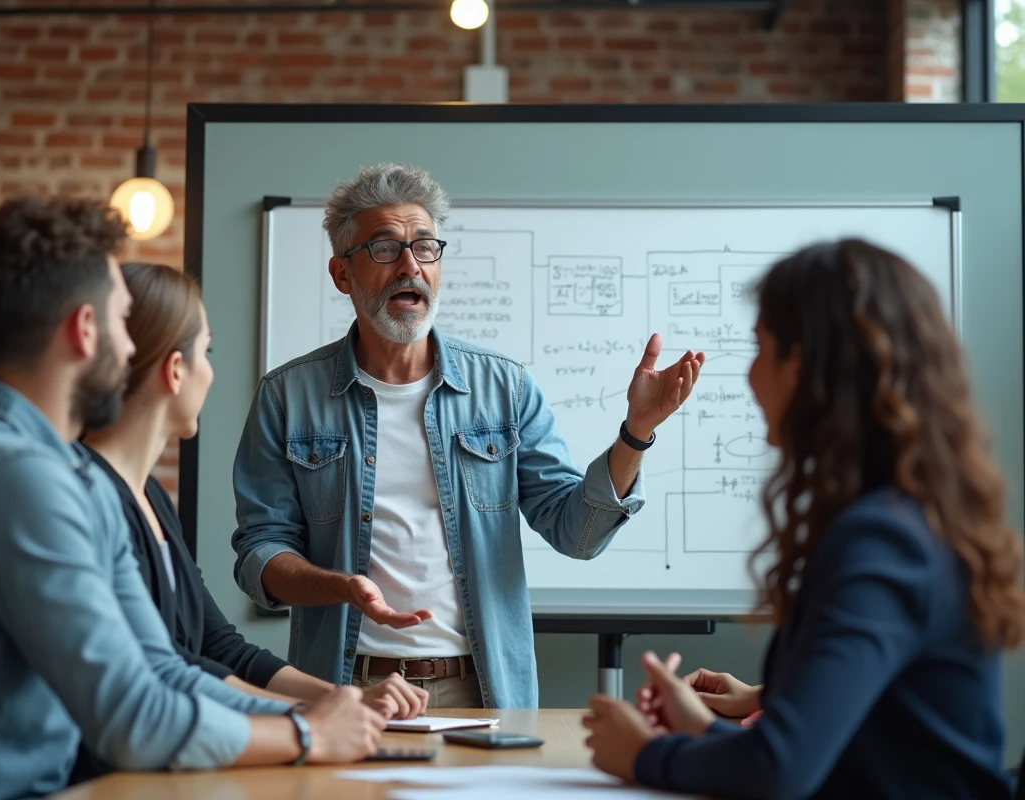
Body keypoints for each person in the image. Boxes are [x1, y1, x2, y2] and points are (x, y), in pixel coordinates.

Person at [0, 197, 385, 800]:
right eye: (120, 319)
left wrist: (316, 719)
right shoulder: (14, 476)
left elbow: (160, 668)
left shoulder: (54, 473)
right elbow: (132, 719)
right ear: (85, 331)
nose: (133, 349)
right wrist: (306, 735)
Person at [231, 163, 705, 708]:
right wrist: (338, 586)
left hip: (480, 691)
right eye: (384, 248)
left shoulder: (505, 388)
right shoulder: (287, 397)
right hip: (347, 689)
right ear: (342, 274)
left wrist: (636, 432)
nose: (410, 265)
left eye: (425, 246)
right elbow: (260, 554)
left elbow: (577, 533)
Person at [582, 238, 1025, 799]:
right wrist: (706, 729)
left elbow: (780, 769)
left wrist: (644, 755)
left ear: (804, 368)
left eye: (761, 349)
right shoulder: (906, 518)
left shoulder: (883, 540)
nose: (750, 376)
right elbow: (859, 749)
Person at [79, 261, 428, 722]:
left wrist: (344, 699)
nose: (211, 372)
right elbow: (165, 672)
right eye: (207, 351)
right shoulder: (88, 498)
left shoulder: (151, 497)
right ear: (176, 370)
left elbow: (217, 646)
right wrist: (307, 723)